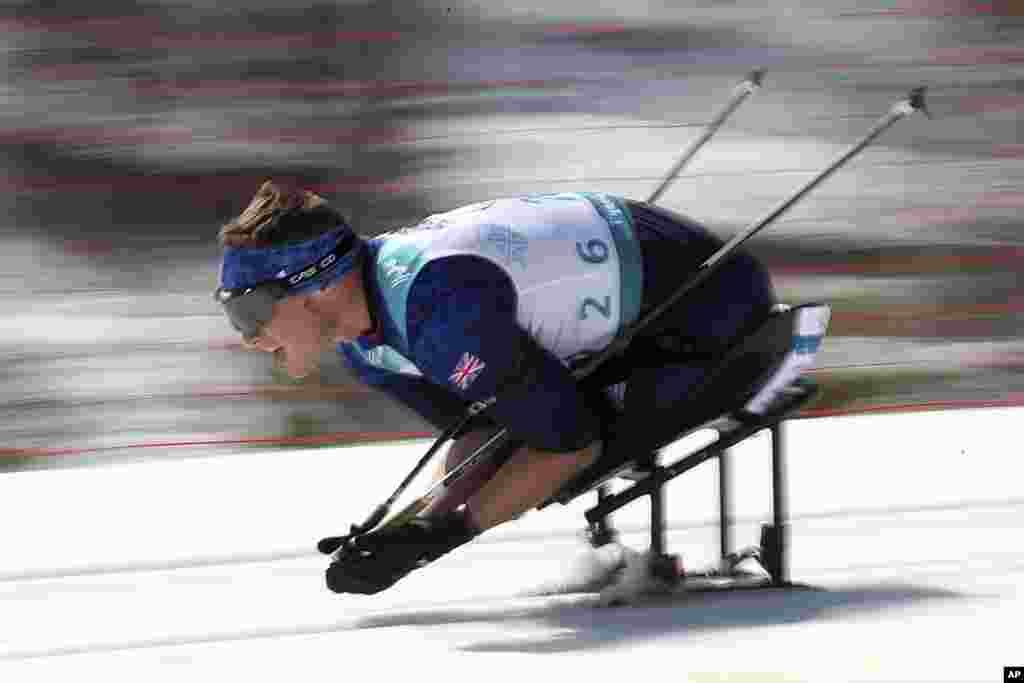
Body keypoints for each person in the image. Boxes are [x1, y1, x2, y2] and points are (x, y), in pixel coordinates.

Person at [214, 180, 776, 595]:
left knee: (574, 441)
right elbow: (486, 426)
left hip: (710, 303)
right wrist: (407, 527)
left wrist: (440, 537)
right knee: (533, 426)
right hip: (640, 297)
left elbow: (568, 443)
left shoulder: (437, 315)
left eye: (251, 311)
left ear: (318, 284)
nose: (248, 336)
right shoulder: (369, 345)